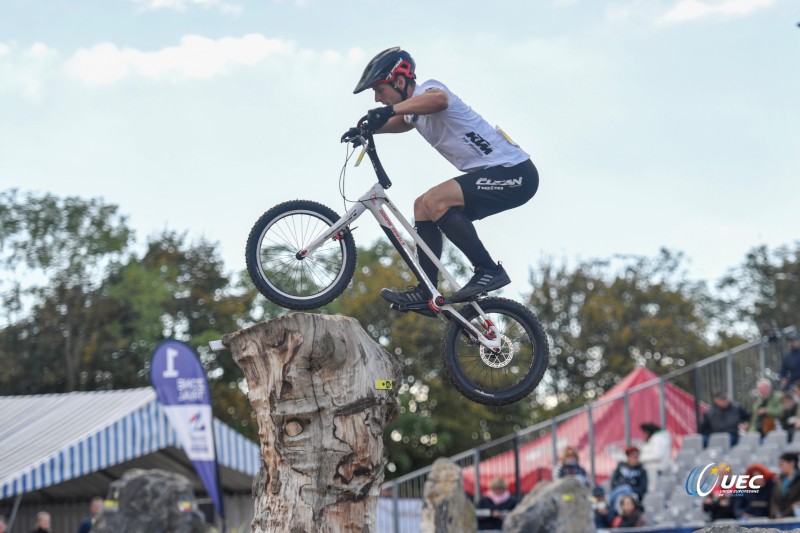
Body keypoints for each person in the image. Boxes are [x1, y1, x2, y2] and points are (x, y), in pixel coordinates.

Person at [346, 47, 539, 313]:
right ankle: (427, 290)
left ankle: (488, 270)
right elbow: (405, 120)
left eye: (380, 90)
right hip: (496, 175)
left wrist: (388, 110)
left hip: (514, 172)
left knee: (436, 200)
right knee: (422, 206)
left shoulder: (430, 90)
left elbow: (438, 101)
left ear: (400, 82)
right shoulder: (414, 111)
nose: (378, 99)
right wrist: (368, 128)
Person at [639, 422, 671, 488]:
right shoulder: (656, 439)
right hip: (653, 472)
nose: (643, 435)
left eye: (644, 433)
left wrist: (640, 458)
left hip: (657, 473)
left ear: (648, 432)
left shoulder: (658, 439)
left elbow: (658, 455)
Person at [770, 452, 800, 518]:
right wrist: (776, 513)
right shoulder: (778, 480)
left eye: (782, 463)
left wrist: (786, 513)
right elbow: (774, 500)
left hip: (795, 518)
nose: (780, 466)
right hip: (778, 518)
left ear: (792, 463)